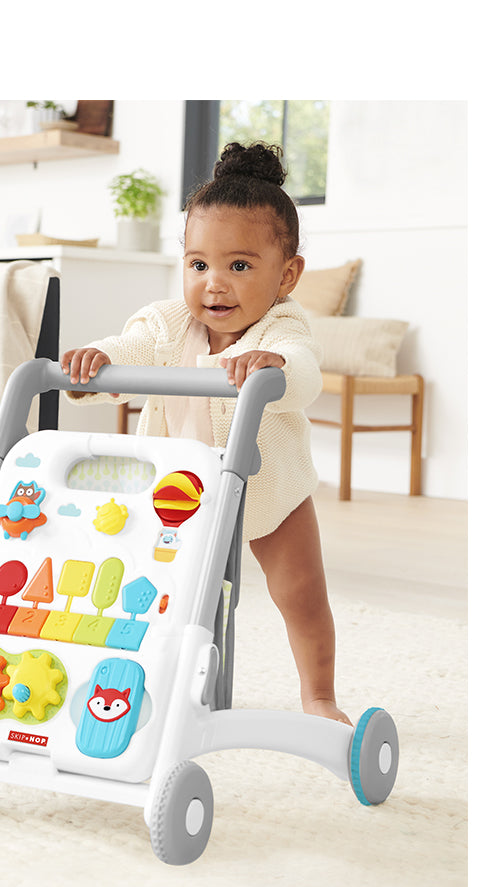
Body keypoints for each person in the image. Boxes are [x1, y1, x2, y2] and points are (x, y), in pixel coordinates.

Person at [61, 141, 351, 727]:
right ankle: (154, 682)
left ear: (287, 275)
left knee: (301, 593)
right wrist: (98, 361)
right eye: (199, 265)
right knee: (162, 591)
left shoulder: (281, 326)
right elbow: (132, 347)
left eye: (239, 266)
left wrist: (274, 364)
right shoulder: (169, 323)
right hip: (179, 494)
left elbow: (304, 370)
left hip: (268, 491)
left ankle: (319, 695)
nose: (214, 284)